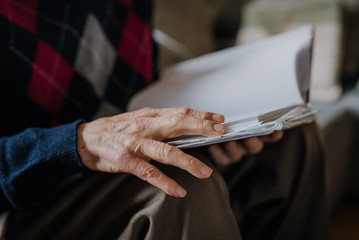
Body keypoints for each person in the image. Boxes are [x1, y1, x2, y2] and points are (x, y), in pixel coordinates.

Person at [0, 0, 330, 239]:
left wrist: (211, 133)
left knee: (290, 137)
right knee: (179, 188)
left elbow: (135, 91)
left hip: (112, 161)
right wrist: (79, 142)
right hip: (26, 194)